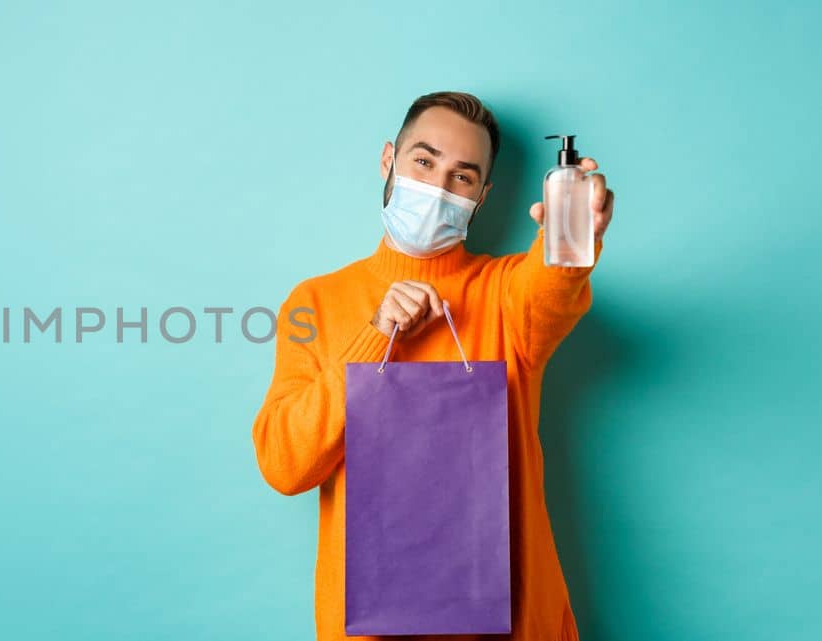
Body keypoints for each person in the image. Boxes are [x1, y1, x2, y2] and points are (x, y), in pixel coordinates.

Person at [250, 91, 615, 641]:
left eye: (462, 177)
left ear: (482, 195)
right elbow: (285, 465)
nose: (438, 187)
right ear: (388, 161)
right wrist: (375, 337)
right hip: (370, 629)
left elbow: (553, 284)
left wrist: (572, 239)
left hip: (515, 623)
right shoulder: (316, 302)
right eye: (424, 161)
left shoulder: (506, 294)